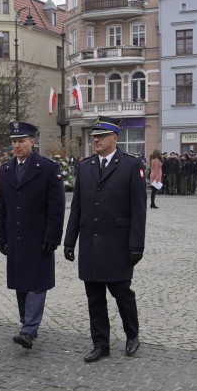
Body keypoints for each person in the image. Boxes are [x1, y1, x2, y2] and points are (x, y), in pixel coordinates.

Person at [63, 117, 147, 363]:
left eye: (101, 136)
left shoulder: (131, 166)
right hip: (90, 243)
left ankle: (132, 335)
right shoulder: (86, 166)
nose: (95, 139)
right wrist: (70, 240)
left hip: (118, 244)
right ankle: (100, 344)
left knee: (123, 294)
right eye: (94, 136)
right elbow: (76, 206)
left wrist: (136, 245)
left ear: (115, 138)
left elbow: (138, 210)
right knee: (95, 298)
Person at [0, 121, 65, 349]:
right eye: (14, 141)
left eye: (21, 141)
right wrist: (0, 235)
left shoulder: (47, 168)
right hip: (15, 235)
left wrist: (53, 236)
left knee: (37, 283)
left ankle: (29, 329)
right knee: (21, 282)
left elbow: (56, 206)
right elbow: (2, 206)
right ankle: (26, 324)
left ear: (32, 142)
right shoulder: (5, 169)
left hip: (38, 235)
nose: (17, 145)